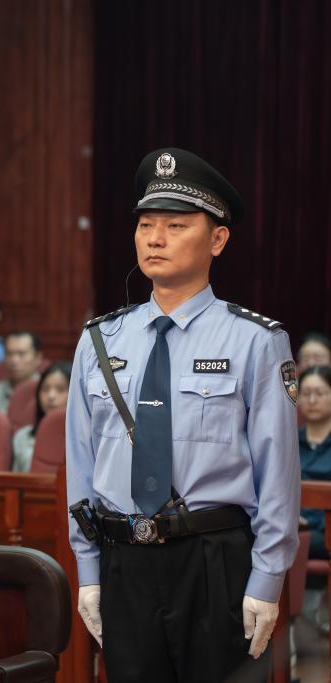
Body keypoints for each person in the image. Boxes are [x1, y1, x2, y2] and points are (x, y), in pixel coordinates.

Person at [66, 148, 300, 682]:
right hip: (123, 557)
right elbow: (81, 462)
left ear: (217, 240)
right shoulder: (100, 340)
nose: (155, 239)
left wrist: (267, 578)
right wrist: (88, 568)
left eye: (175, 226)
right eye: (146, 225)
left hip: (215, 561)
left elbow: (278, 474)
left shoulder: (255, 341)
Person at [11, 362, 71, 472]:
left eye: (60, 389)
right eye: (45, 389)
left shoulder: (86, 438)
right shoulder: (22, 437)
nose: (51, 396)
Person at [299, 365, 331, 559]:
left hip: (325, 529)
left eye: (319, 393)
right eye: (305, 394)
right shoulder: (289, 442)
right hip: (291, 525)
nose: (312, 400)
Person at [0, 331, 43, 412]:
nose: (14, 360)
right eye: (9, 354)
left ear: (37, 358)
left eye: (21, 354)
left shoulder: (48, 391)